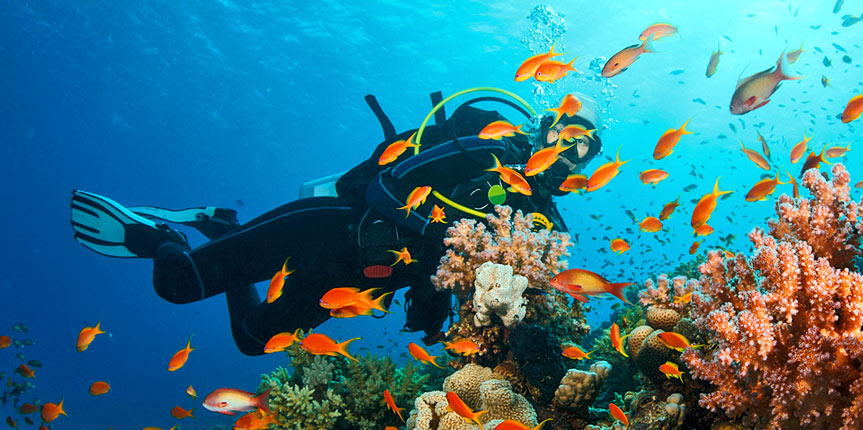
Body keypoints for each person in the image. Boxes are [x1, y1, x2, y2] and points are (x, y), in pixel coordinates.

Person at [69, 90, 603, 356]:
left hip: (356, 283)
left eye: (586, 150)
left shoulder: (542, 225)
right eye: (569, 135)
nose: (572, 153)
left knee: (253, 341)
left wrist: (435, 301)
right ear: (547, 128)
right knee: (177, 284)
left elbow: (470, 278)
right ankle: (161, 237)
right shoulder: (489, 150)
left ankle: (224, 228)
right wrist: (440, 236)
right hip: (330, 228)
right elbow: (384, 187)